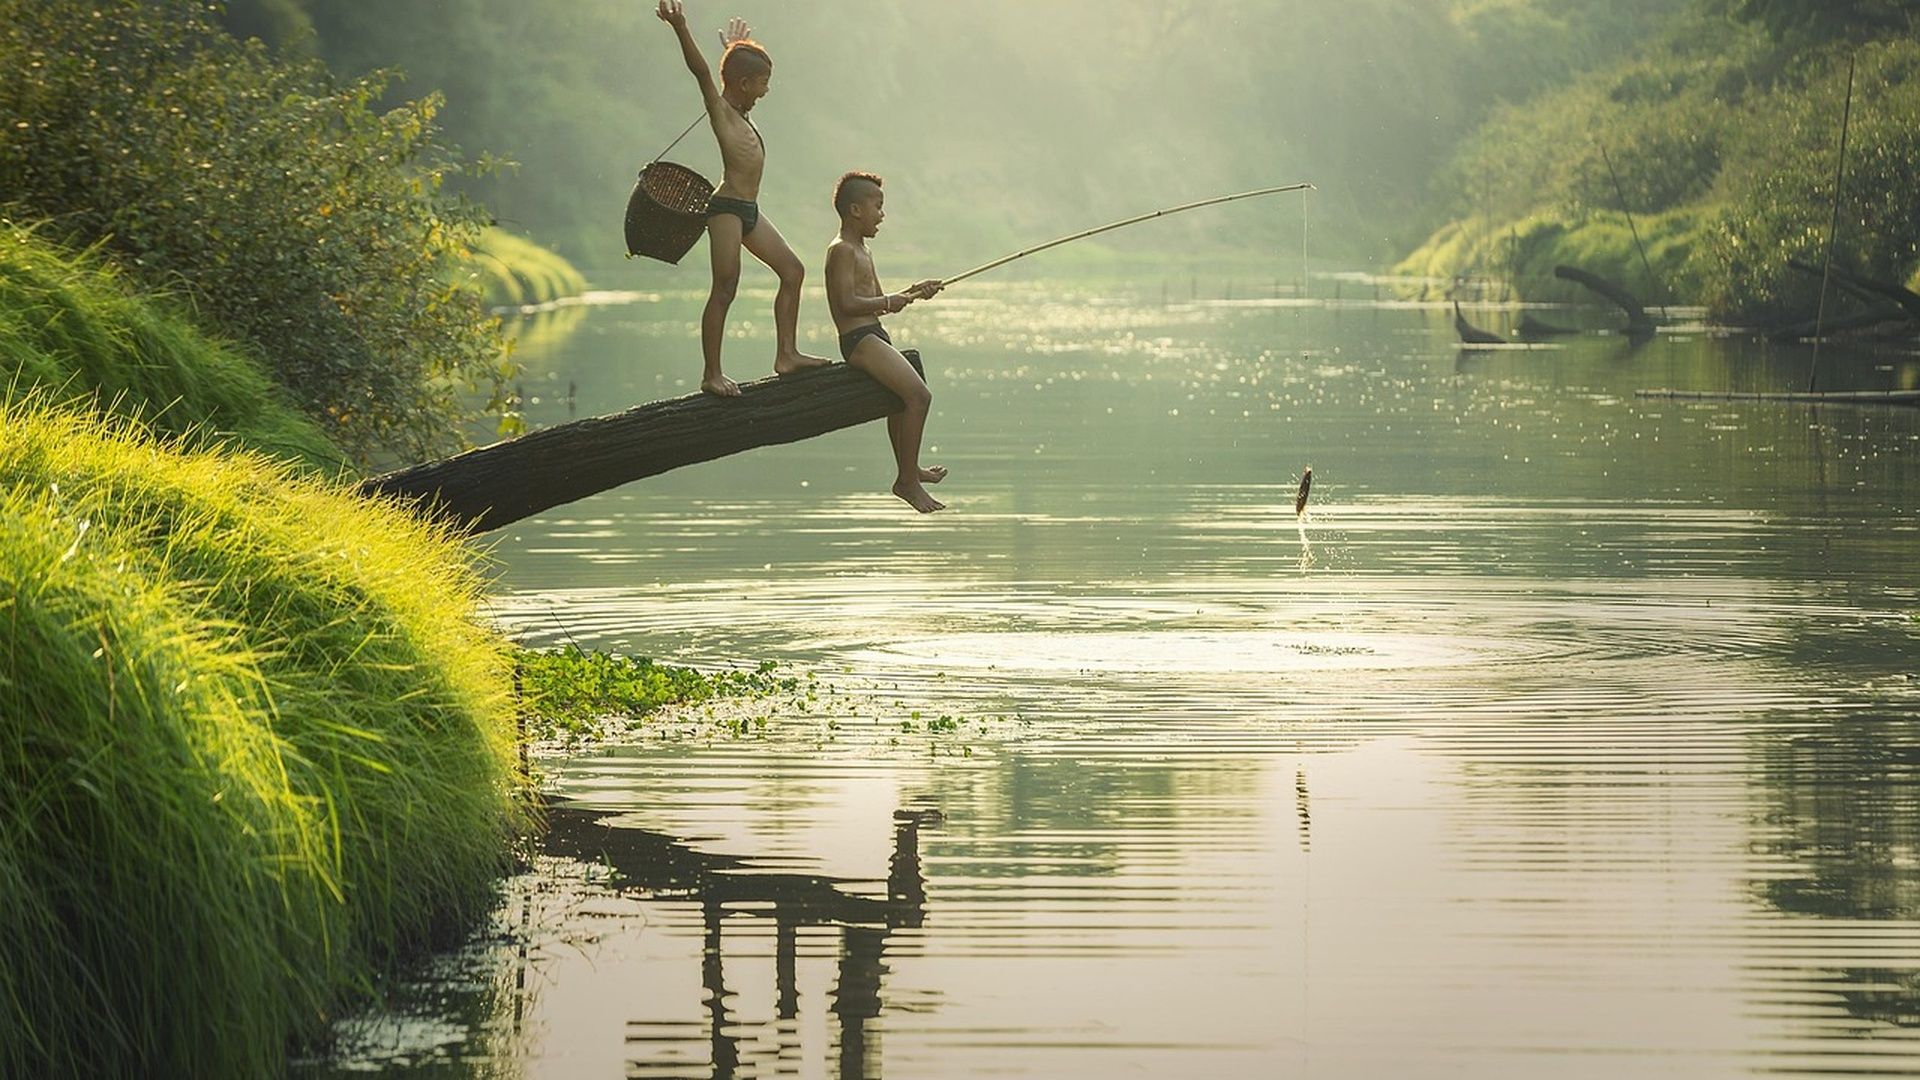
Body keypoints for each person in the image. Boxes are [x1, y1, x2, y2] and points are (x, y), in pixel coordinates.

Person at [656, 1, 827, 396]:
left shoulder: (743, 108)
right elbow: (702, 73)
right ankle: (711, 374)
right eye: (762, 83)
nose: (766, 91)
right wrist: (681, 26)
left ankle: (787, 354)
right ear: (746, 83)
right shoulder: (721, 111)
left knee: (793, 272)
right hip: (726, 210)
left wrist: (734, 51)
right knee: (726, 287)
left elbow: (732, 76)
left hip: (750, 210)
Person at [824, 172, 948, 513]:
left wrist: (914, 292)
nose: (882, 214)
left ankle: (910, 470)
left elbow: (878, 299)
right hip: (858, 339)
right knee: (919, 396)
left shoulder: (863, 250)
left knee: (900, 400)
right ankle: (906, 481)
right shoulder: (842, 251)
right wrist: (889, 300)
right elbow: (846, 303)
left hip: (874, 334)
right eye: (877, 206)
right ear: (855, 210)